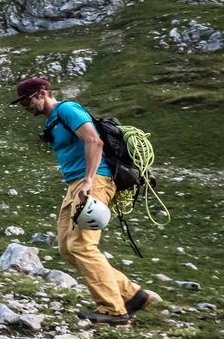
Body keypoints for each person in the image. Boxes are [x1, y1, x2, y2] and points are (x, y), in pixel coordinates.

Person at [13, 77, 160, 326]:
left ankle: (114, 311)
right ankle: (132, 295)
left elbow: (94, 141)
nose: (24, 106)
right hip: (75, 184)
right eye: (21, 103)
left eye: (27, 100)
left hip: (94, 181)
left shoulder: (68, 110)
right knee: (67, 248)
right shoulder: (53, 120)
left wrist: (89, 181)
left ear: (42, 93)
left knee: (82, 246)